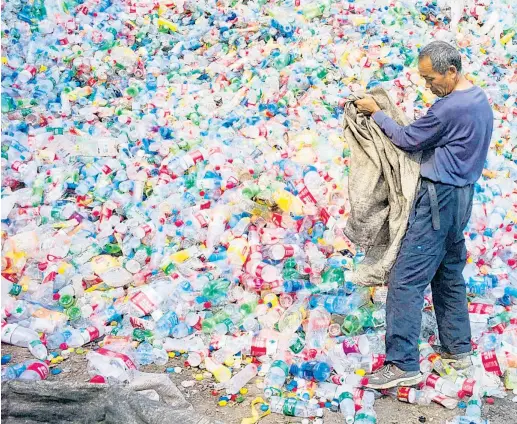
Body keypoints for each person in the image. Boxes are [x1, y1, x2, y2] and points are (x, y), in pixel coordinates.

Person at [354, 41, 494, 389]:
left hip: (437, 200)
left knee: (406, 280)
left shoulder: (449, 109)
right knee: (448, 274)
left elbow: (406, 138)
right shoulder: (478, 99)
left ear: (451, 71)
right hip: (462, 197)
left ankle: (401, 363)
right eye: (423, 78)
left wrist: (377, 112)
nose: (427, 85)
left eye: (431, 78)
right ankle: (458, 350)